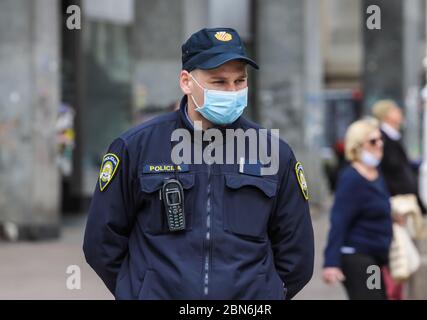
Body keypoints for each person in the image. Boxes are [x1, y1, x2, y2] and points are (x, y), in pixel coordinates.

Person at [83, 27, 314, 300]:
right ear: (186, 82)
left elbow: (296, 252)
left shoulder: (274, 152)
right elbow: (101, 241)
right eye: (219, 82)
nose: (232, 91)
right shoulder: (136, 147)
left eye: (240, 81)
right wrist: (140, 291)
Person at [322, 118, 393, 300]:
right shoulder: (351, 178)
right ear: (357, 145)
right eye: (373, 141)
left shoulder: (376, 173)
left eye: (380, 140)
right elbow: (338, 221)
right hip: (359, 258)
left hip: (375, 257)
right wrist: (331, 262)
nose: (379, 144)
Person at [372, 100, 427, 216]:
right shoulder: (382, 138)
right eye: (394, 110)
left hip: (404, 198)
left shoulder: (393, 136)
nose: (399, 112)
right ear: (386, 115)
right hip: (397, 201)